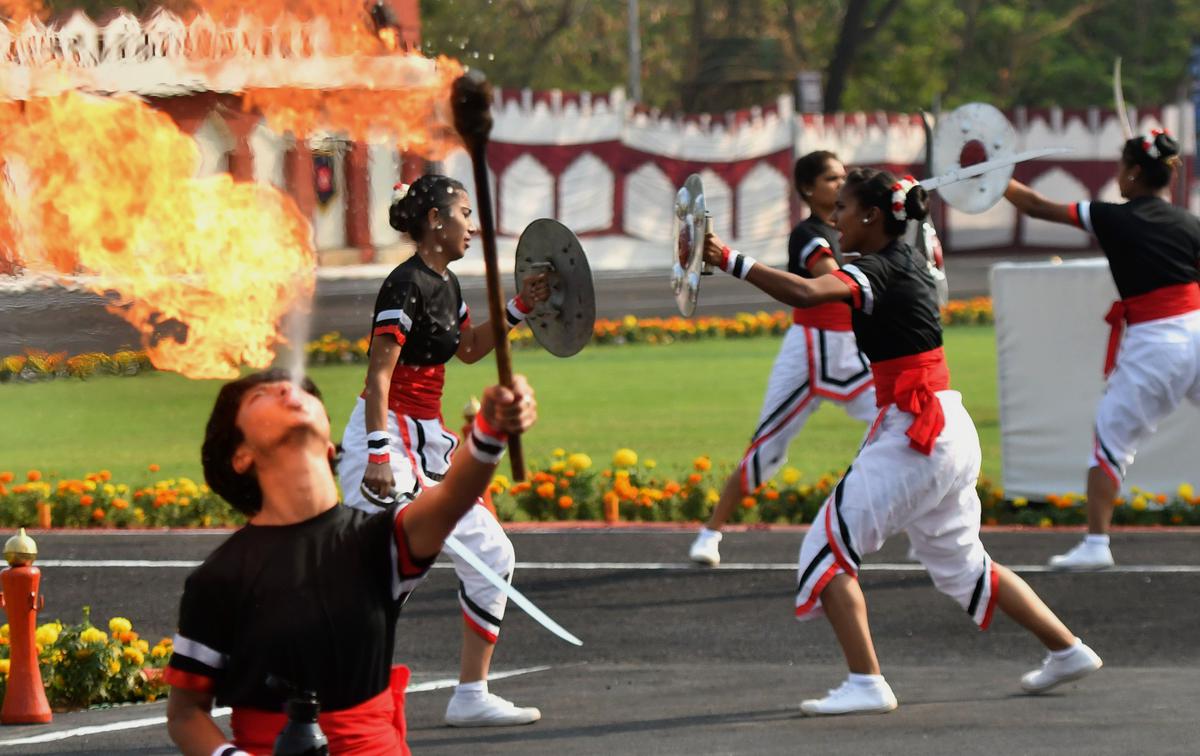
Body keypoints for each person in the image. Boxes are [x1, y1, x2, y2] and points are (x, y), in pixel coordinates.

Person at [703, 167, 1102, 716]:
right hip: (944, 425)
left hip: (918, 432)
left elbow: (807, 291)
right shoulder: (907, 257)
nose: (834, 218)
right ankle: (1068, 649)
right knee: (965, 565)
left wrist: (729, 260)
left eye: (843, 208)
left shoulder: (879, 268)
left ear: (871, 216)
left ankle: (867, 682)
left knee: (823, 549)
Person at [165, 368, 537, 754]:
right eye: (261, 395)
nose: (285, 389)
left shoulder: (374, 542)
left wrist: (491, 429)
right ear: (241, 456)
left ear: (329, 444)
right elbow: (185, 714)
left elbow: (449, 501)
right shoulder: (219, 578)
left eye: (301, 392)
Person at [336, 174, 549, 726]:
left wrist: (521, 306)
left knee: (493, 554)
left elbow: (472, 349)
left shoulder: (446, 283)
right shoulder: (404, 284)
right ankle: (323, 697)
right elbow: (379, 374)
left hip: (427, 439)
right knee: (383, 573)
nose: (471, 226)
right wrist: (379, 453)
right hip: (386, 434)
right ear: (434, 221)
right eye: (463, 213)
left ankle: (470, 696)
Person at [1004, 130, 1200, 569]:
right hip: (1197, 330)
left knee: (1110, 439)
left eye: (1120, 169)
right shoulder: (1190, 223)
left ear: (1132, 173)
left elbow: (1036, 206)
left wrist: (994, 177)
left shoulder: (1111, 216)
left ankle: (1096, 544)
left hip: (1157, 344)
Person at [688, 151, 876, 567]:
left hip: (852, 347)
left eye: (844, 177)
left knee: (903, 427)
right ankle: (710, 533)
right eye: (831, 178)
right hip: (808, 348)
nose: (840, 184)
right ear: (808, 188)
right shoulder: (809, 233)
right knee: (766, 448)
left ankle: (924, 528)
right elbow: (832, 277)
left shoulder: (857, 228)